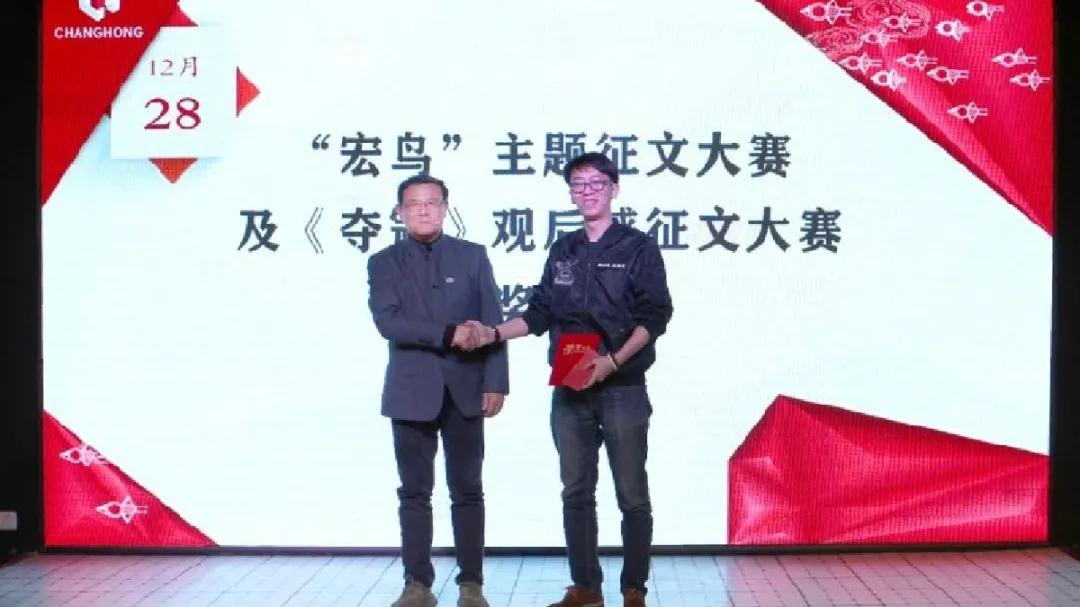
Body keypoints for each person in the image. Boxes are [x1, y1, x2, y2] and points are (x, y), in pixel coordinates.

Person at [471, 152, 673, 607]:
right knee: (576, 491)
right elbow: (540, 313)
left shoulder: (638, 247)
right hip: (570, 385)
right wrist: (492, 333)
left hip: (622, 386)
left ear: (614, 189)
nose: (587, 192)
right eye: (578, 185)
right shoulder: (563, 249)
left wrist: (613, 362)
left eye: (596, 183)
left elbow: (656, 316)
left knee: (632, 493)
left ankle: (634, 588)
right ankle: (586, 586)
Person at [367, 174, 509, 607]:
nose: (424, 210)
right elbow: (389, 322)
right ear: (400, 212)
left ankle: (472, 584)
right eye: (415, 204)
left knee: (468, 490)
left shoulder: (472, 256)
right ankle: (417, 584)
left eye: (432, 202)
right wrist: (449, 334)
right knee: (414, 492)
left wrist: (496, 382)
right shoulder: (384, 262)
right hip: (411, 391)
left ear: (446, 209)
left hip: (467, 388)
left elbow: (493, 321)